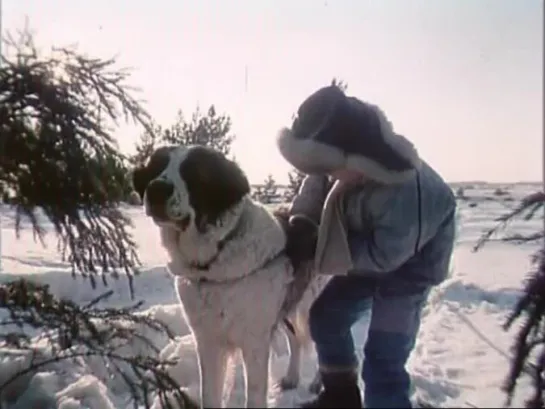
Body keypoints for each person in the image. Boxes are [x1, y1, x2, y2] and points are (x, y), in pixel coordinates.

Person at [276, 85, 457, 409]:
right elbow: (315, 183)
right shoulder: (342, 163)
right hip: (367, 248)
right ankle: (341, 398)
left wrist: (322, 249)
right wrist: (302, 221)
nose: (328, 175)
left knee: (383, 356)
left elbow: (384, 257)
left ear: (358, 157)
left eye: (331, 168)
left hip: (412, 266)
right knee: (326, 317)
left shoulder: (403, 190)